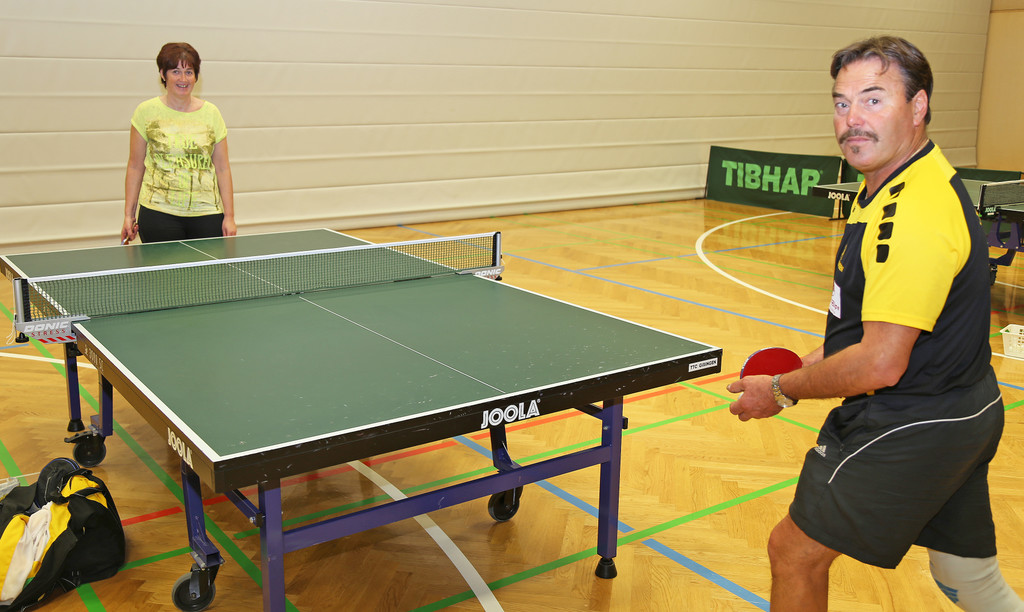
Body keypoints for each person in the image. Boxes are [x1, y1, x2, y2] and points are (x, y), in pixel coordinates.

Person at [726, 36, 1024, 611]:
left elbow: (880, 362)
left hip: (913, 420)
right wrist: (806, 367)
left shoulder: (911, 213)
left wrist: (781, 389)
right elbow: (877, 329)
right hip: (967, 407)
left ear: (918, 106)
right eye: (841, 103)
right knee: (968, 578)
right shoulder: (895, 182)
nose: (852, 119)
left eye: (873, 100)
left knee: (794, 553)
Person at [122, 42, 236, 244]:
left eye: (189, 72)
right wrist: (128, 215)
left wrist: (229, 216)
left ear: (196, 76)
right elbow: (135, 166)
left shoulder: (212, 113)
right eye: (176, 71)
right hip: (158, 214)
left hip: (207, 214)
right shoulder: (145, 112)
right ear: (163, 74)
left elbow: (222, 168)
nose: (183, 79)